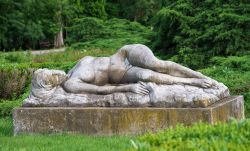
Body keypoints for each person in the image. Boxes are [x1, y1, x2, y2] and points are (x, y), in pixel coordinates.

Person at [62, 44, 215, 95]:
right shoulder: (71, 84)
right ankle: (195, 82)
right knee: (147, 75)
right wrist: (130, 87)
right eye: (50, 75)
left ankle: (201, 76)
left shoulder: (76, 66)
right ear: (47, 84)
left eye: (49, 71)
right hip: (122, 76)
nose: (54, 73)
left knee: (158, 64)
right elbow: (99, 90)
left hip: (123, 54)